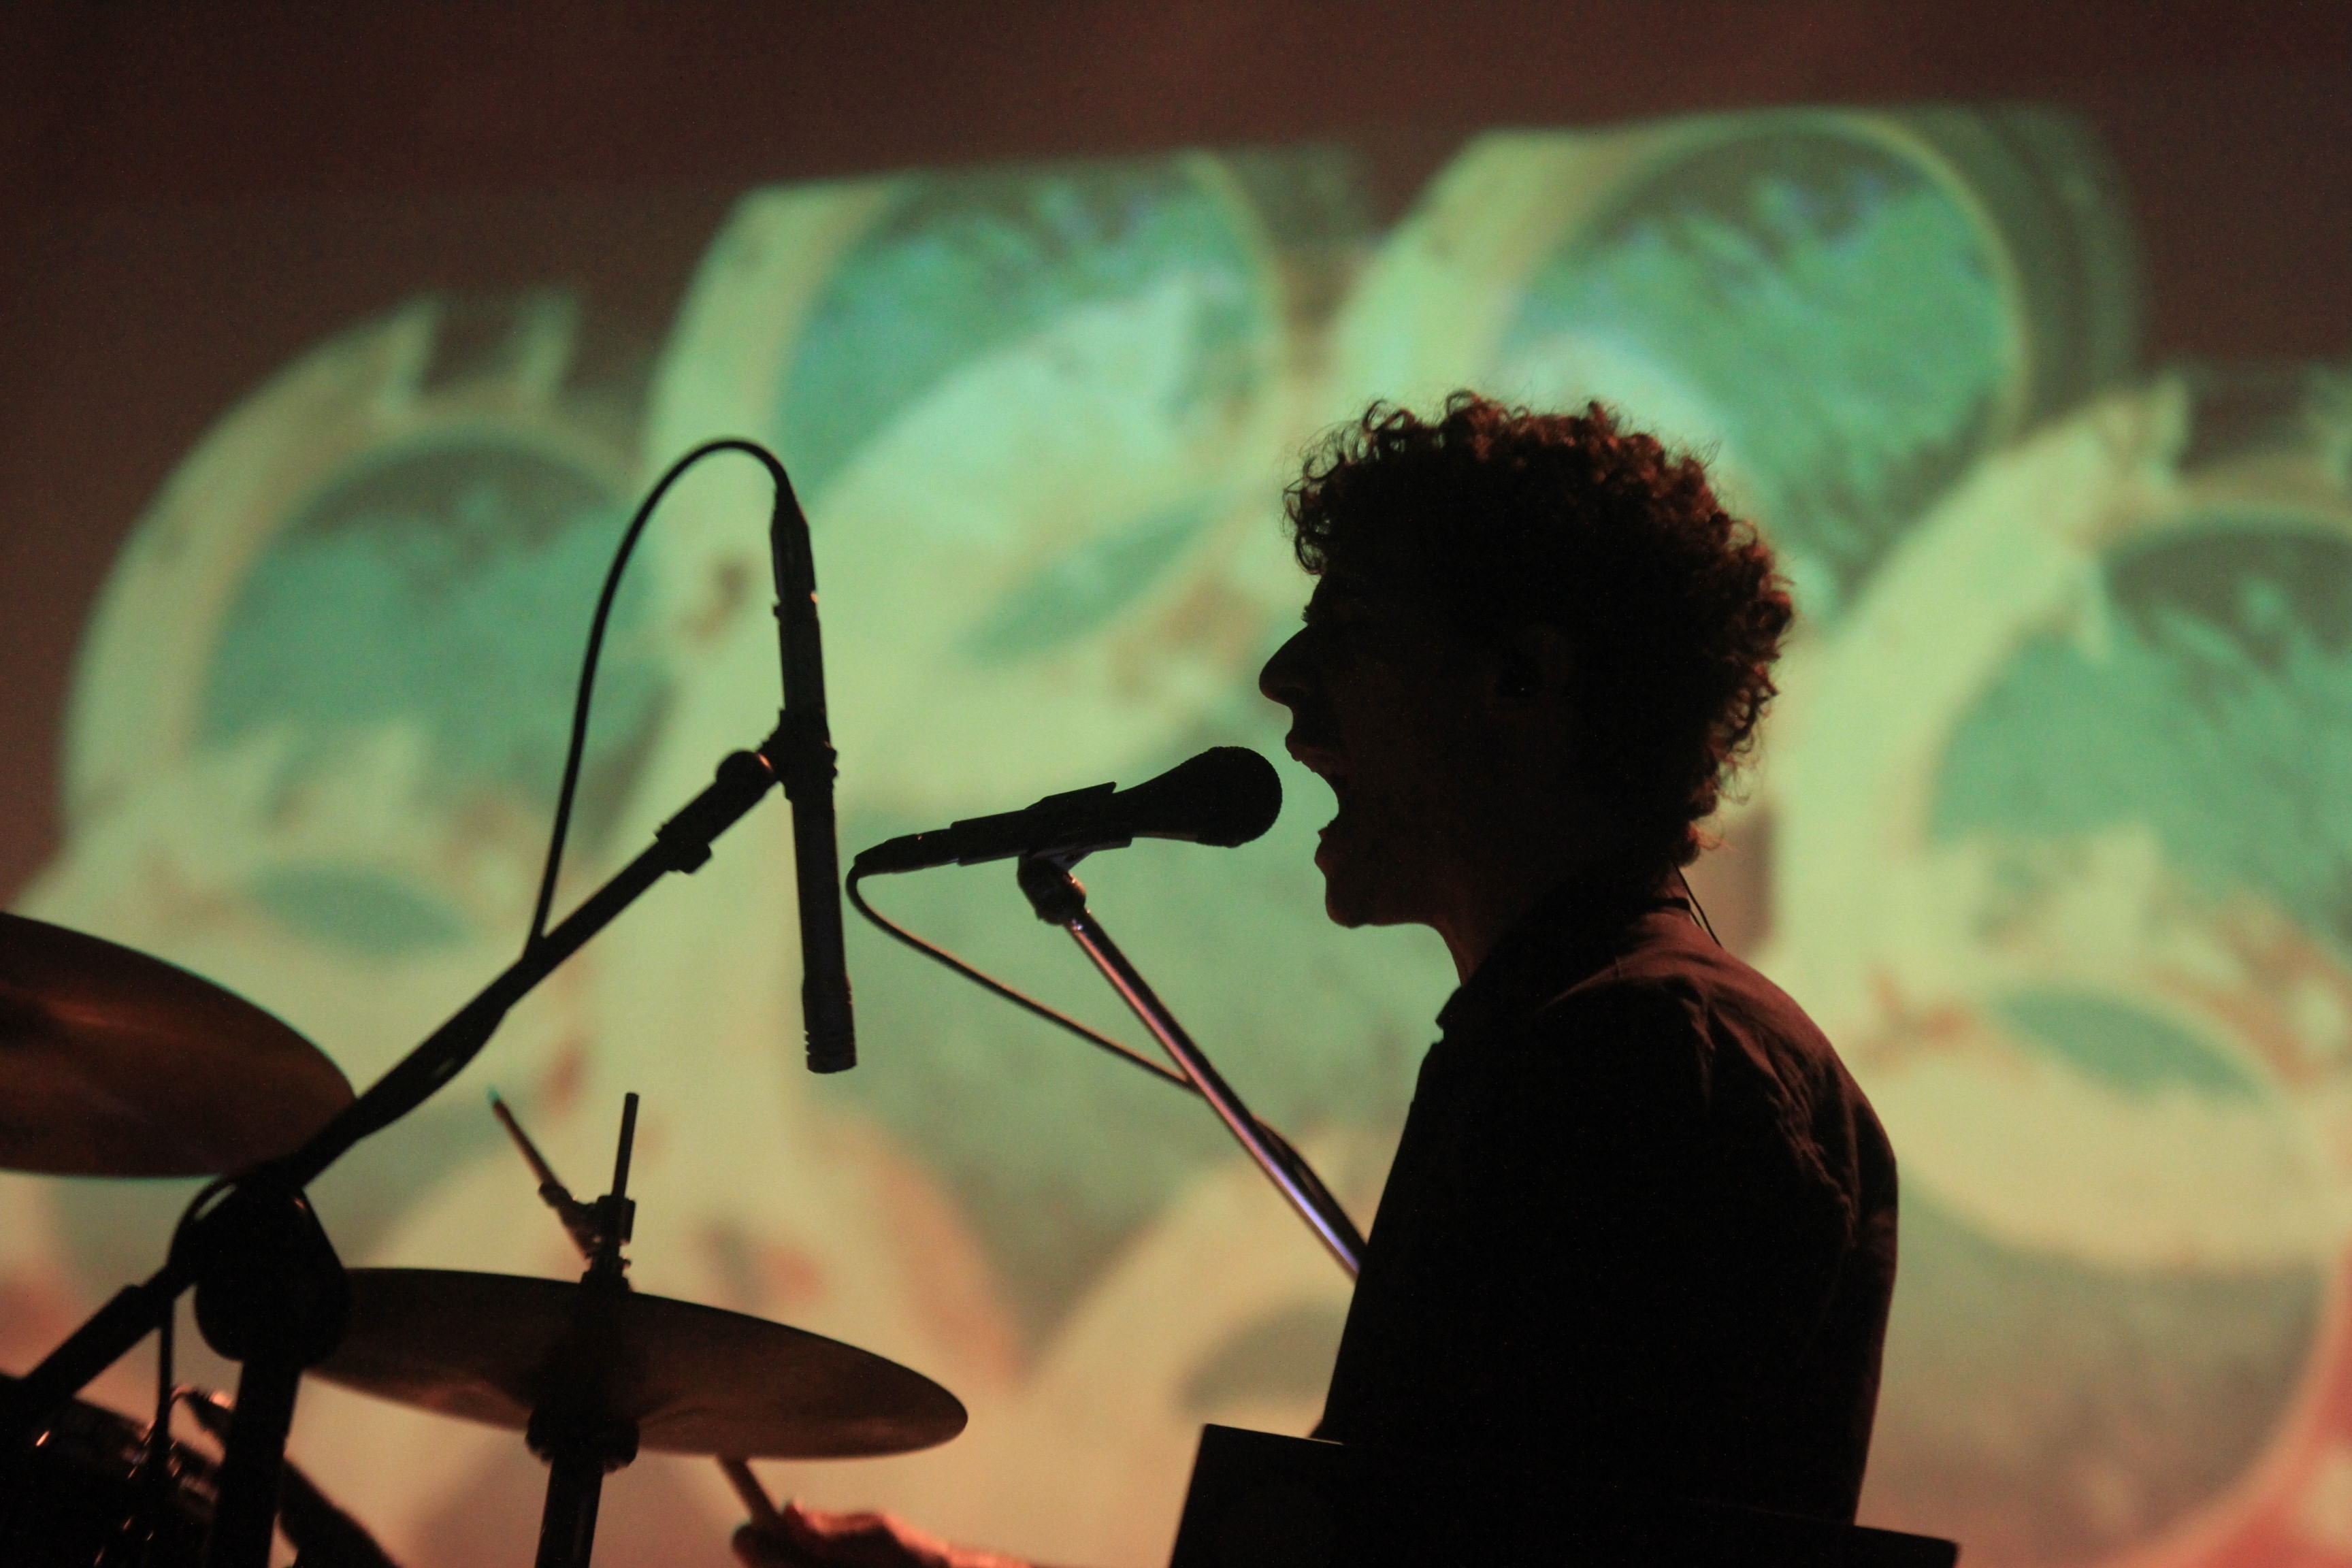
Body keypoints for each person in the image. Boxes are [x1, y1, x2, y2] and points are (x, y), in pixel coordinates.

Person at [736, 394, 1897, 1567]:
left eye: (1347, 632)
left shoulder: (1638, 1057)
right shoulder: (1613, 1037)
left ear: (1521, 678)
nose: (1284, 681)